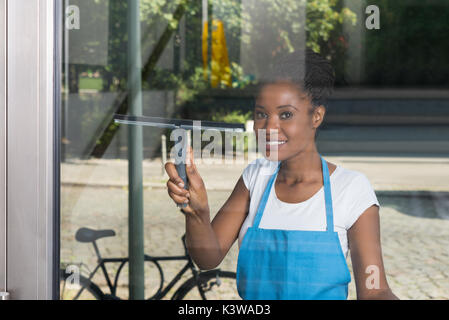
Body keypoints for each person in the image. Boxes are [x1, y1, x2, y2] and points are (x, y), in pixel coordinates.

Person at [165, 49, 398, 300]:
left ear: (316, 116)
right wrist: (197, 212)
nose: (269, 127)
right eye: (261, 114)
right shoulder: (254, 178)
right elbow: (207, 257)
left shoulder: (351, 188)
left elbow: (376, 290)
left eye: (286, 114)